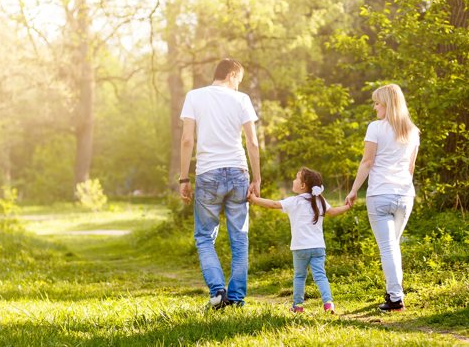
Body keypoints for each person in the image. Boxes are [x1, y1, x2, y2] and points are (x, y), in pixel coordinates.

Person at [178, 58, 261, 309]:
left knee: (204, 237)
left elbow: (186, 140)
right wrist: (256, 178)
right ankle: (236, 299)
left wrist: (184, 178)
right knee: (240, 239)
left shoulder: (194, 96)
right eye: (239, 80)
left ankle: (218, 292)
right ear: (232, 74)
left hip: (208, 174)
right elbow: (252, 142)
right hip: (238, 172)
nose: (239, 85)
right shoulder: (242, 99)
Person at [344, 84, 420, 312]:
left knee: (388, 248)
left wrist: (353, 189)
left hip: (380, 195)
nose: (375, 107)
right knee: (392, 246)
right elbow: (411, 167)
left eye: (378, 103)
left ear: (387, 104)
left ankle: (396, 298)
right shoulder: (413, 131)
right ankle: (392, 292)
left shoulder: (376, 128)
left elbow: (367, 162)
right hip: (405, 195)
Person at [248, 167, 350, 313]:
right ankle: (328, 304)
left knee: (300, 277)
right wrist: (347, 207)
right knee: (320, 276)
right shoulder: (320, 200)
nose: (293, 180)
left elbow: (273, 204)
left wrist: (254, 199)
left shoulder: (294, 201)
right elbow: (333, 212)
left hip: (300, 248)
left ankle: (298, 306)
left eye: (296, 178)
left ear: (303, 186)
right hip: (318, 247)